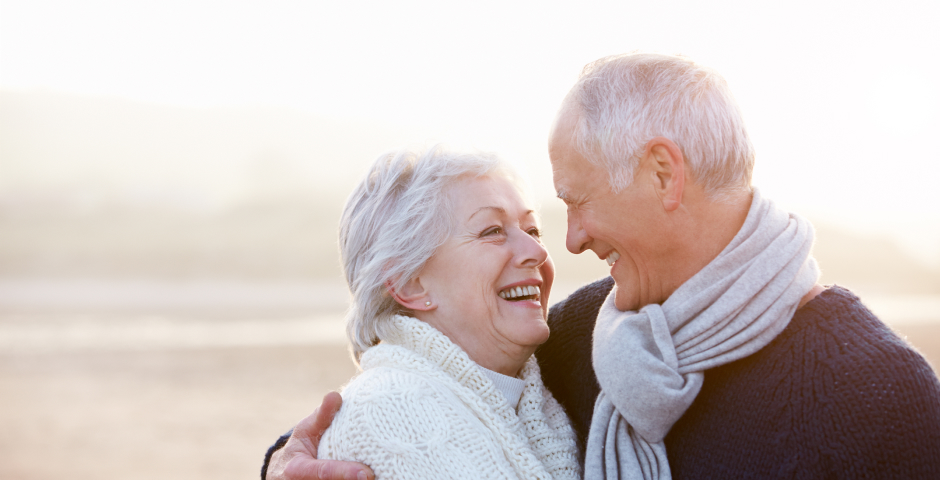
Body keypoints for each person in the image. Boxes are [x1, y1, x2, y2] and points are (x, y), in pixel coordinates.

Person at [265, 53, 940, 479]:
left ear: (661, 174)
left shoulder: (882, 396)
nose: (573, 239)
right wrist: (285, 464)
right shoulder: (587, 333)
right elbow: (422, 403)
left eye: (576, 202)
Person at [266, 146, 582, 480]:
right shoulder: (388, 412)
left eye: (533, 231)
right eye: (493, 231)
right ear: (410, 284)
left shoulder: (536, 399)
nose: (537, 251)